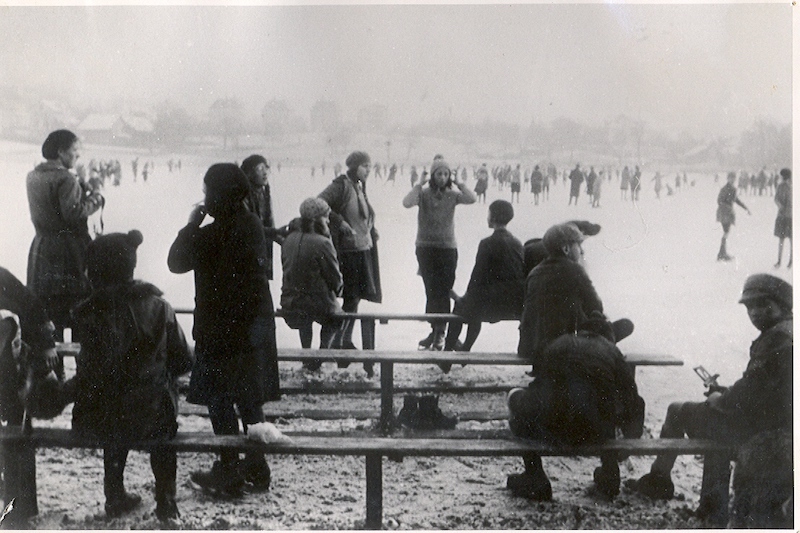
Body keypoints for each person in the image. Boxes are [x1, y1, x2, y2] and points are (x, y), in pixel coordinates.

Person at [630, 274, 792, 526]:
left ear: (783, 305)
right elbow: (761, 387)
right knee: (707, 416)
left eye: (763, 305)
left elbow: (750, 393)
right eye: (750, 307)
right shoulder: (788, 331)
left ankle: (659, 480)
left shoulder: (777, 339)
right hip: (775, 424)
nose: (755, 312)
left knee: (676, 410)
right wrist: (726, 393)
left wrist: (720, 398)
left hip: (758, 428)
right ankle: (704, 501)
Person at [168, 163, 279, 497]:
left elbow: (175, 262)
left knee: (219, 400)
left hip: (219, 328)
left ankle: (229, 468)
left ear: (219, 195)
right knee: (249, 399)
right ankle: (257, 468)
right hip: (253, 325)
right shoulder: (251, 224)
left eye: (207, 191)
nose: (204, 197)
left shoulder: (214, 233)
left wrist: (191, 224)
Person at [71, 230, 193, 521]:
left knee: (113, 411)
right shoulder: (160, 307)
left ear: (95, 273)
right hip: (152, 413)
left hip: (100, 416)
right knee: (162, 425)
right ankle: (166, 501)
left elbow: (88, 369)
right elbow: (183, 360)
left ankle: (114, 497)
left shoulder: (88, 315)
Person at [507, 313, 645, 500]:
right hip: (595, 433)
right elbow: (633, 401)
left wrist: (514, 398)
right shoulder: (611, 351)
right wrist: (629, 440)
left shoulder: (558, 344)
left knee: (520, 403)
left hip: (553, 429)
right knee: (602, 404)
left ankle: (535, 474)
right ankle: (610, 473)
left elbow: (536, 393)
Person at [26, 129, 104, 341]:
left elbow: (54, 206)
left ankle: (54, 368)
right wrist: (97, 196)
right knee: (78, 310)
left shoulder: (33, 176)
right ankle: (81, 367)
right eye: (75, 151)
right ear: (61, 151)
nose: (78, 156)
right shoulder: (66, 179)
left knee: (49, 313)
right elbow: (74, 214)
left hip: (42, 249)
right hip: (68, 252)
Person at [403, 157, 477, 351]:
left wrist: (460, 182)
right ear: (433, 176)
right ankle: (436, 330)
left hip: (447, 248)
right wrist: (418, 184)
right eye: (439, 174)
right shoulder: (424, 194)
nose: (442, 177)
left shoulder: (453, 195)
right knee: (431, 290)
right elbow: (407, 202)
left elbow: (472, 198)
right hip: (426, 248)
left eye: (446, 174)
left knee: (443, 289)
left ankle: (439, 332)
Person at [318, 151, 381, 376]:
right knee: (345, 297)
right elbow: (320, 202)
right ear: (354, 167)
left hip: (362, 247)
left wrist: (372, 229)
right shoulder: (342, 185)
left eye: (370, 166)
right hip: (347, 250)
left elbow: (363, 215)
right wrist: (338, 220)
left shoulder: (359, 186)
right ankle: (334, 343)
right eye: (365, 166)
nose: (368, 170)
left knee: (354, 298)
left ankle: (346, 339)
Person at [444, 200, 524, 357]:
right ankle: (464, 350)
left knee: (461, 307)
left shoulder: (487, 243)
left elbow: (477, 276)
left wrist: (464, 298)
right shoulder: (517, 243)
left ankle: (449, 353)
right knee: (474, 304)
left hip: (493, 303)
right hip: (515, 302)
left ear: (492, 217)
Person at [280, 198, 343, 370]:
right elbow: (335, 279)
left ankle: (306, 354)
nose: (329, 221)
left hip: (289, 302)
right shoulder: (322, 243)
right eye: (326, 217)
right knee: (336, 317)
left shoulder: (289, 239)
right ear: (318, 219)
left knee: (305, 315)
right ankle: (322, 354)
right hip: (316, 304)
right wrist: (337, 290)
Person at [0, 267, 60, 427]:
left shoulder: (2, 276)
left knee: (15, 417)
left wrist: (47, 345)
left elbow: (32, 305)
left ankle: (16, 446)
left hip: (9, 371)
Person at [241, 154, 284, 281]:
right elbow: (250, 227)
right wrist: (276, 232)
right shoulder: (242, 196)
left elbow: (269, 224)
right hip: (247, 254)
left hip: (262, 251)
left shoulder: (264, 193)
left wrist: (285, 240)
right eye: (260, 169)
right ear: (249, 173)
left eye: (266, 168)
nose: (265, 173)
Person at [716, 172, 751, 261]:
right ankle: (722, 253)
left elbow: (736, 200)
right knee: (726, 232)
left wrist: (745, 208)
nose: (732, 180)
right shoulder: (726, 189)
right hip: (725, 213)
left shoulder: (730, 189)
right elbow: (719, 200)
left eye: (733, 178)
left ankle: (722, 253)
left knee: (726, 232)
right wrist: (726, 206)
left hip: (725, 212)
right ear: (728, 178)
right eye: (731, 178)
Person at [773, 168, 792, 268]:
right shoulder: (793, 186)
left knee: (781, 239)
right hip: (791, 216)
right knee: (791, 239)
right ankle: (791, 261)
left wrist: (780, 207)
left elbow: (776, 199)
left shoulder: (780, 186)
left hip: (782, 216)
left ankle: (779, 261)